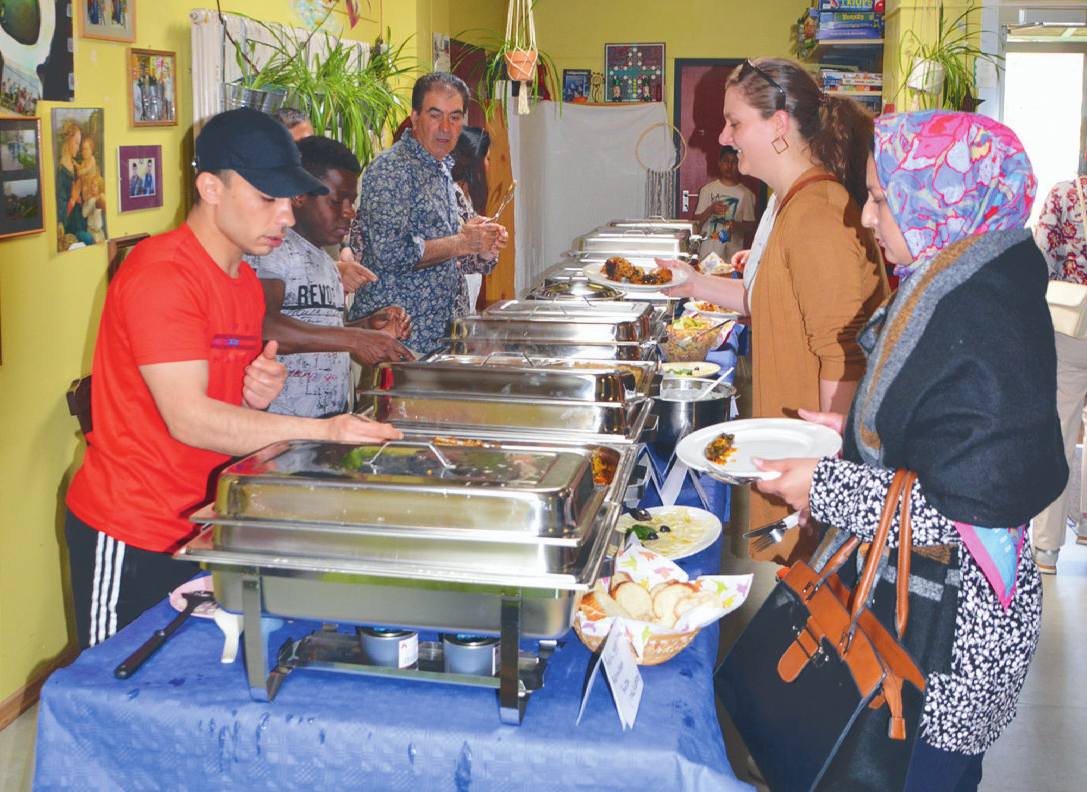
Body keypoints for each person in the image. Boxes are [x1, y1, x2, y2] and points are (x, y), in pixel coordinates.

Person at [754, 111, 1066, 792]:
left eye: (882, 199)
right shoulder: (961, 283)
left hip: (949, 638)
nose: (866, 218)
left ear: (940, 202)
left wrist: (825, 487)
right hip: (920, 610)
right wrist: (843, 435)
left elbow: (967, 505)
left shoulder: (982, 315)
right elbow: (941, 436)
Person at [64, 107, 402, 650]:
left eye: (287, 200)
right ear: (210, 188)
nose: (286, 217)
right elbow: (190, 418)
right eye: (267, 200)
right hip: (133, 528)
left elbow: (226, 396)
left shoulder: (244, 280)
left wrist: (256, 390)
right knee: (114, 685)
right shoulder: (162, 275)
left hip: (205, 524)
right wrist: (326, 431)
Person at [660, 57, 886, 559]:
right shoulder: (792, 203)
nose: (722, 137)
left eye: (735, 123)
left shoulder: (817, 216)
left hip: (821, 468)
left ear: (778, 126)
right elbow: (770, 301)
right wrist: (692, 282)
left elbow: (845, 356)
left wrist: (828, 476)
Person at [248, 134, 413, 418]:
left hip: (330, 420)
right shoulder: (273, 249)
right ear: (299, 196)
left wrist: (365, 327)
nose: (350, 212)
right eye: (337, 201)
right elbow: (264, 326)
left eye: (353, 201)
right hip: (282, 425)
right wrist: (357, 340)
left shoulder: (326, 260)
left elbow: (321, 328)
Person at [346, 72, 508, 355]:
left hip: (441, 337)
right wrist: (463, 242)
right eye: (435, 115)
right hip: (400, 341)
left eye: (455, 117)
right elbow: (391, 254)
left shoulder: (441, 167)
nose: (445, 127)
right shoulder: (391, 169)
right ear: (415, 116)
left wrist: (484, 246)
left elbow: (457, 258)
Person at [1031, 167, 1087, 573]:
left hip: (1071, 330)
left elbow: (1041, 259)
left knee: (1062, 431)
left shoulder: (1066, 196)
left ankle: (1047, 548)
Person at [449, 126, 499, 316]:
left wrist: (489, 248)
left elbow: (476, 259)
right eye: (487, 159)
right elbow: (461, 255)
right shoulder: (452, 195)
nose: (488, 165)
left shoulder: (466, 196)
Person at [692, 145, 756, 264]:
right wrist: (711, 210)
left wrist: (735, 225)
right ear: (719, 163)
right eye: (726, 161)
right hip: (707, 256)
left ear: (739, 165)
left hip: (731, 257)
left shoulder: (746, 194)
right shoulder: (707, 190)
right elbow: (695, 224)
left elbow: (750, 226)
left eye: (734, 162)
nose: (729, 166)